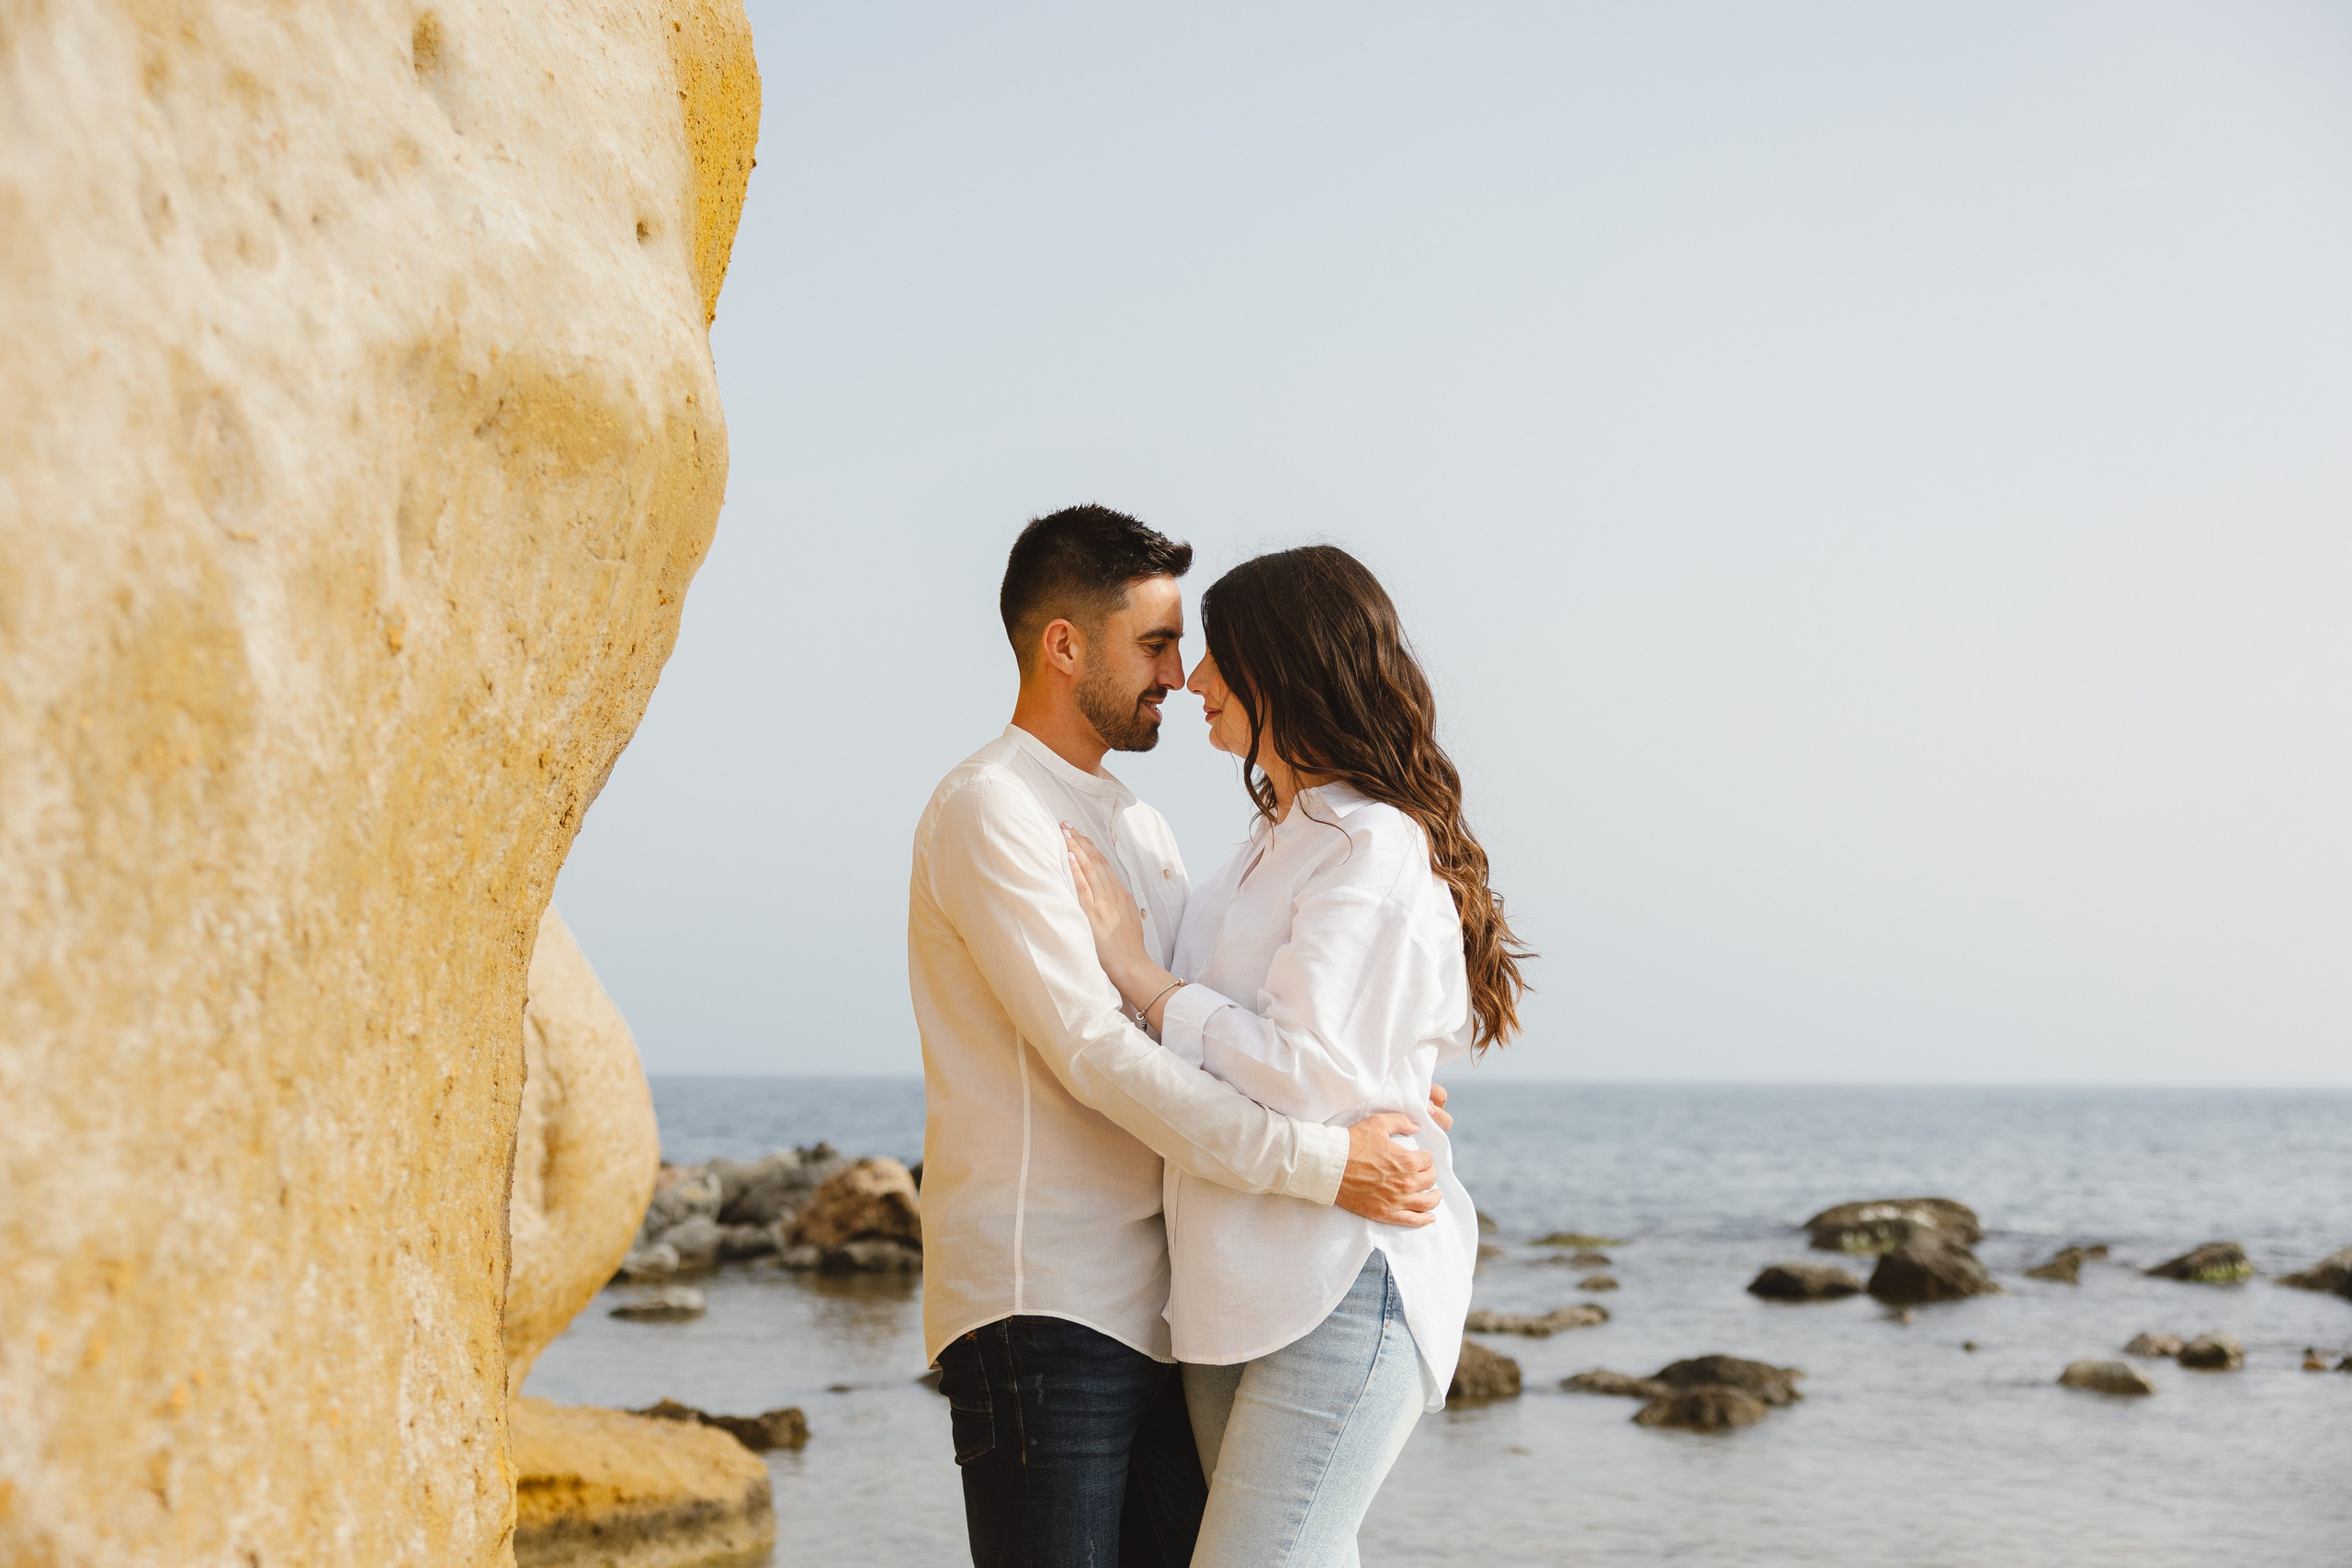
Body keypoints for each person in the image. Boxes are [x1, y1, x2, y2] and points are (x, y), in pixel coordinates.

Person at [909, 507, 1453, 1568]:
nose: (1180, 672)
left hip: (1169, 1305)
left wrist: (1382, 1083)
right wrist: (1324, 1161)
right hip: (1047, 1302)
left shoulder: (1145, 828)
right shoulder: (992, 807)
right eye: (1155, 644)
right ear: (1064, 646)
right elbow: (1096, 1051)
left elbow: (1225, 1024)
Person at [1063, 544, 1529, 1568]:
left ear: (1282, 664)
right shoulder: (1262, 846)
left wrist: (1137, 972)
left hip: (1340, 1274)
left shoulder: (1370, 842)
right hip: (1230, 1285)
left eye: (1216, 655)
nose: (1192, 679)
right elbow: (1304, 1062)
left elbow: (1305, 1069)